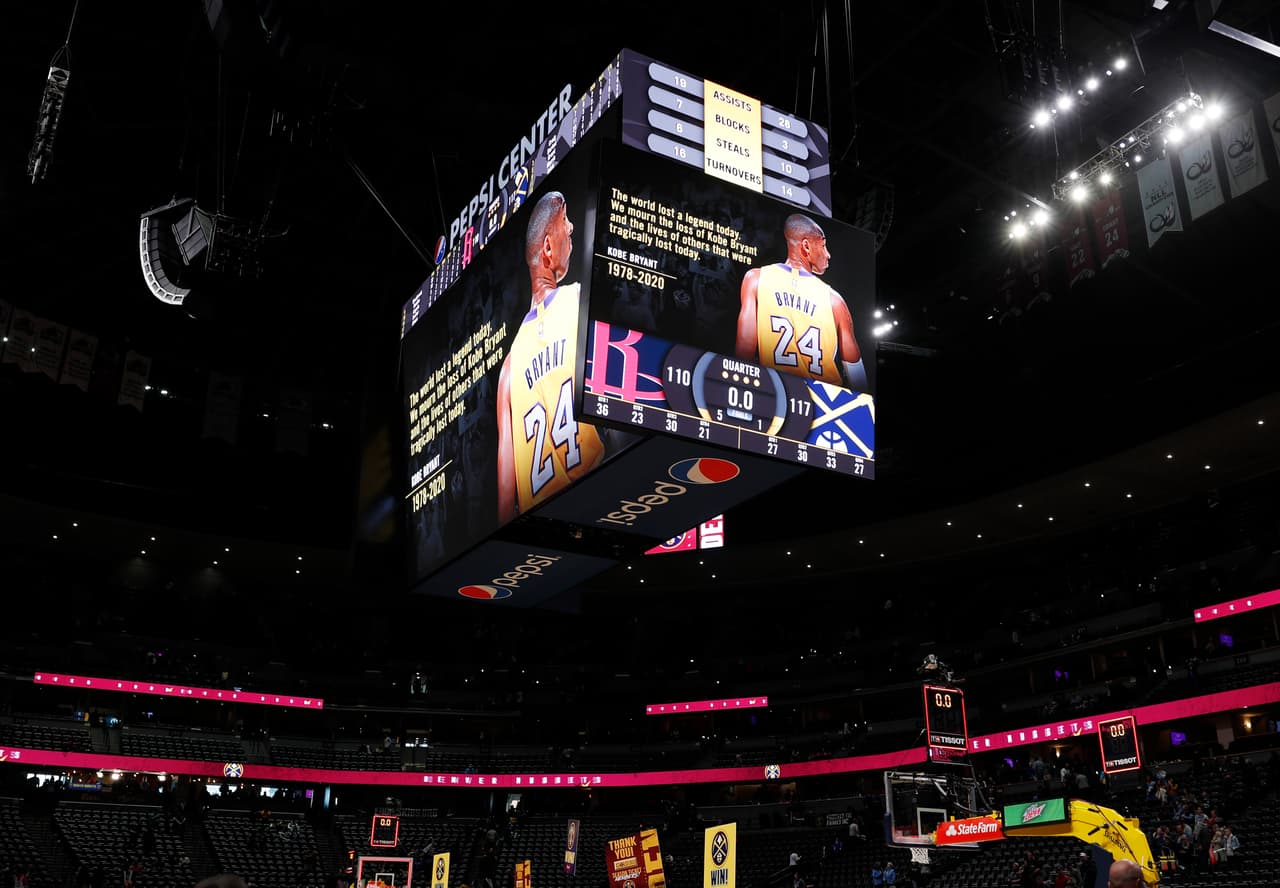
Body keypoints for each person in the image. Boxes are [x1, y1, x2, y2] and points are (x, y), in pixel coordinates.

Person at [496, 190, 606, 523]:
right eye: (564, 221)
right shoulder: (581, 302)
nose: (571, 229)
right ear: (547, 247)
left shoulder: (509, 367)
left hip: (542, 533)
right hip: (598, 501)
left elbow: (504, 501)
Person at [735, 213, 866, 390]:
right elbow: (857, 376)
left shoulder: (756, 279)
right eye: (823, 245)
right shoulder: (834, 300)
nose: (828, 255)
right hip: (825, 401)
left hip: (778, 391)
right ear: (806, 246)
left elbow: (744, 351)